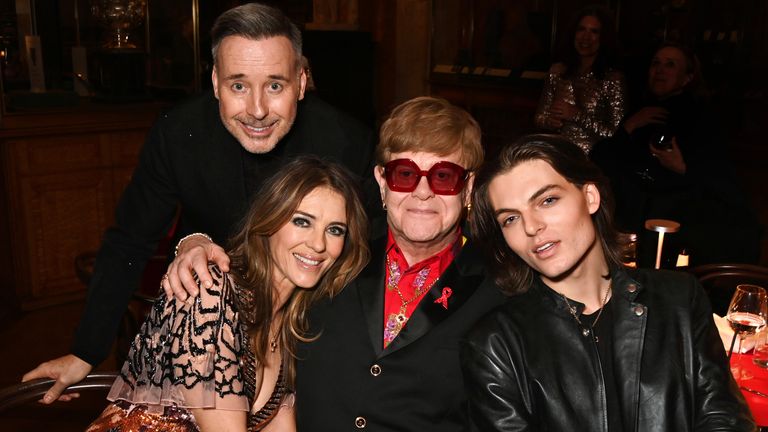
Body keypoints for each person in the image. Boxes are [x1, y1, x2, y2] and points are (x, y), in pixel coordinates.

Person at [22, 2, 375, 404]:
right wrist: (86, 351)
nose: (257, 110)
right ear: (214, 81)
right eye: (238, 86)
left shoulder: (347, 142)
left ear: (300, 80)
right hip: (210, 333)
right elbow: (129, 241)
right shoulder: (179, 134)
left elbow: (368, 260)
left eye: (275, 85)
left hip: (309, 334)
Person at [168, 96, 506, 430]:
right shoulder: (335, 247)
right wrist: (194, 242)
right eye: (404, 173)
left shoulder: (500, 289)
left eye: (443, 176)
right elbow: (260, 250)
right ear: (382, 183)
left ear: (468, 188)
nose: (422, 191)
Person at [461, 134, 755, 431]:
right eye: (510, 219)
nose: (531, 226)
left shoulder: (679, 298)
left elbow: (724, 418)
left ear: (590, 197)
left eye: (548, 200)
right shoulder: (496, 344)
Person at [85, 156, 370, 432]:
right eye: (302, 222)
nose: (318, 244)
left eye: (334, 230)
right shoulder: (210, 295)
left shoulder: (290, 323)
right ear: (269, 222)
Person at [591, 42, 761, 268]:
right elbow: (602, 158)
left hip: (677, 214)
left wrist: (682, 167)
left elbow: (718, 174)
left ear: (686, 77)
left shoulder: (701, 117)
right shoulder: (640, 110)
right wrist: (628, 127)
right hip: (630, 209)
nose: (660, 70)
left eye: (670, 65)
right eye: (656, 64)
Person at [534, 5, 626, 153]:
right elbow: (539, 117)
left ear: (603, 37)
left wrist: (576, 115)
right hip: (559, 154)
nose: (586, 37)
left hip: (594, 160)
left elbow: (616, 134)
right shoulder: (557, 72)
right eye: (581, 29)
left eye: (594, 31)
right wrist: (550, 121)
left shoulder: (612, 79)